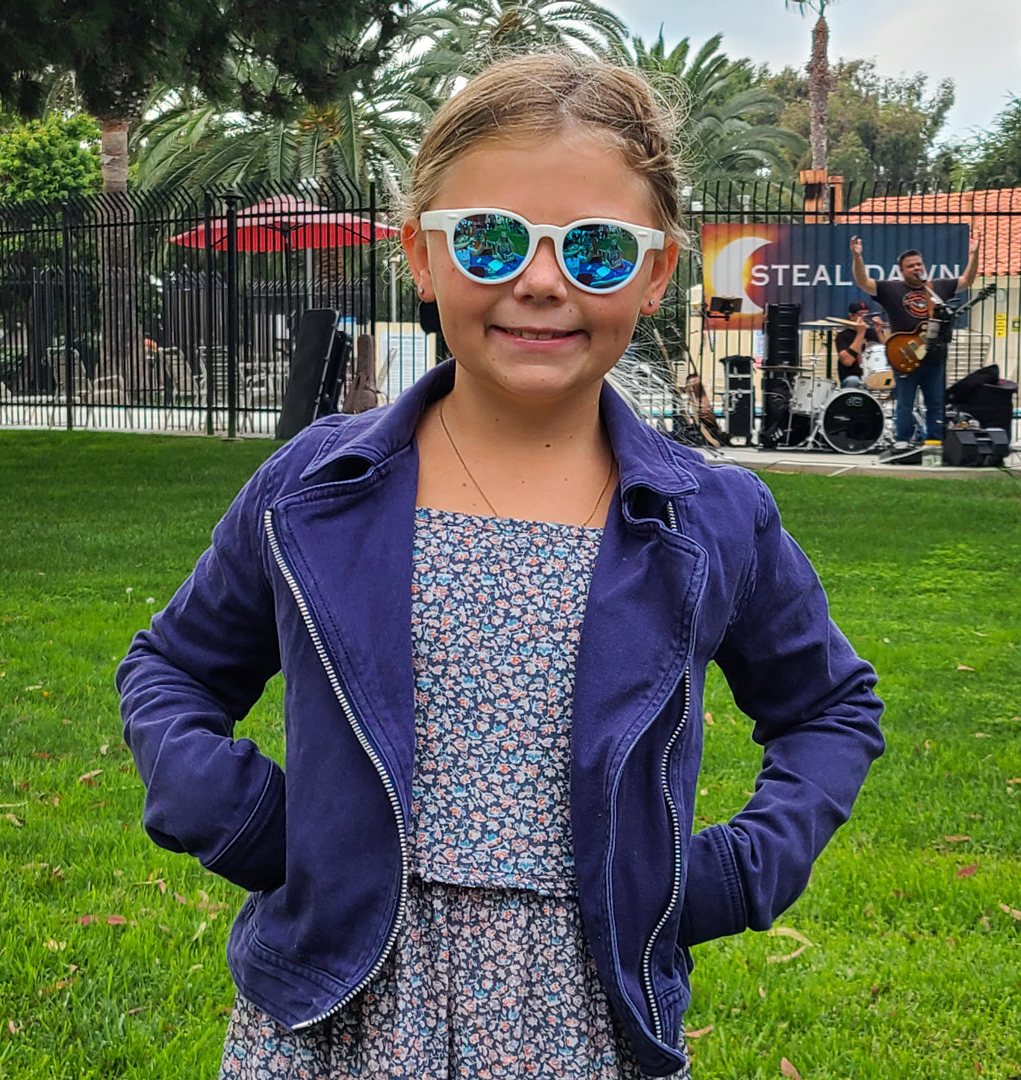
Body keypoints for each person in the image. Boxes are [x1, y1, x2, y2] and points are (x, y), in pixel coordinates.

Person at [119, 54, 885, 1080]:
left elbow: (830, 708)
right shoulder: (315, 489)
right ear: (422, 258)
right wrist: (243, 818)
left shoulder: (712, 520)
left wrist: (731, 875)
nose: (537, 281)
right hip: (334, 1011)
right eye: (487, 241)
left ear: (658, 274)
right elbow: (171, 669)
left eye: (597, 251)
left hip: (583, 1021)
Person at [850, 235, 981, 448]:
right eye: (910, 266)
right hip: (905, 356)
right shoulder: (891, 289)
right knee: (905, 405)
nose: (916, 268)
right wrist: (857, 257)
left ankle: (933, 445)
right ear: (902, 271)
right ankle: (903, 444)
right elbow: (863, 282)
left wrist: (974, 255)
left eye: (919, 264)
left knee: (935, 404)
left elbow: (967, 281)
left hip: (934, 357)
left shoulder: (937, 287)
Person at [834, 300, 884, 387]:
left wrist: (879, 332)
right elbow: (847, 361)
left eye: (867, 315)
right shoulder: (843, 335)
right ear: (851, 317)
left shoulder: (872, 333)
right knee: (853, 381)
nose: (864, 318)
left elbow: (889, 351)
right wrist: (860, 334)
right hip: (854, 376)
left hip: (875, 374)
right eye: (860, 315)